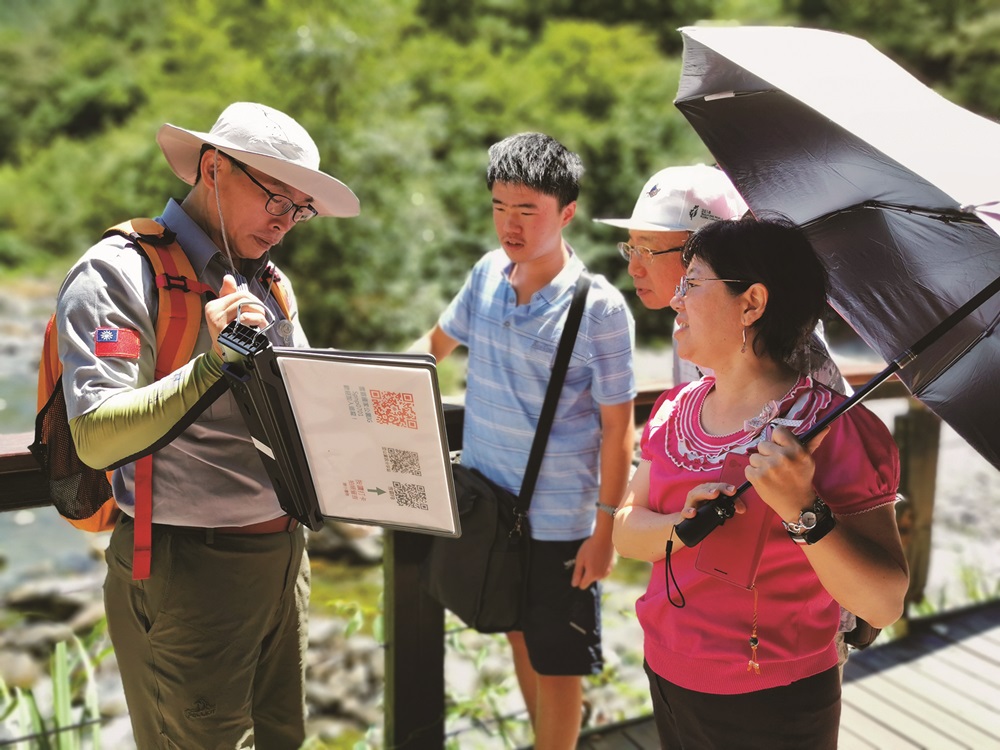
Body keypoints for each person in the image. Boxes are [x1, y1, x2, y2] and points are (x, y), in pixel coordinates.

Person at [56, 102, 359, 749]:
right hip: (188, 572)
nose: (285, 221)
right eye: (276, 196)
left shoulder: (271, 285)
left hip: (283, 564)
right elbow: (96, 433)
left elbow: (303, 410)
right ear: (215, 169)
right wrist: (215, 364)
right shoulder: (119, 271)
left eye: (299, 208)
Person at [612, 216, 908, 749]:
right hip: (666, 670)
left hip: (775, 699)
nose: (675, 300)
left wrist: (803, 509)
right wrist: (681, 527)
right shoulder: (674, 409)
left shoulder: (834, 430)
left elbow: (883, 603)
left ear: (751, 303)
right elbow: (626, 532)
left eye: (692, 284)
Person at [413, 132, 636, 748]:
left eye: (527, 210)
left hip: (562, 521)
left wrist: (606, 527)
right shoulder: (486, 274)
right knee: (516, 632)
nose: (509, 224)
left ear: (565, 212)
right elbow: (431, 348)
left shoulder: (601, 309)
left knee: (560, 660)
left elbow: (620, 429)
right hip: (488, 503)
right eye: (499, 207)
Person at [594, 164, 846, 391]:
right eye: (631, 249)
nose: (633, 269)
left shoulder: (785, 349)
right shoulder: (684, 325)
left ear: (703, 252)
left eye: (647, 251)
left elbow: (833, 434)